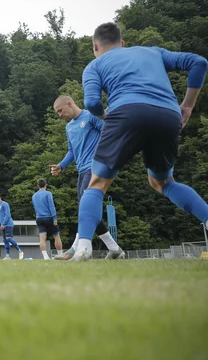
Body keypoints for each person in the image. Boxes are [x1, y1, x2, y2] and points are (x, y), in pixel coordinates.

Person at [71, 22, 208, 261]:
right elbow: (199, 62)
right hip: (168, 115)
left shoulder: (95, 65)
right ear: (122, 43)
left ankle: (83, 247)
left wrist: (109, 117)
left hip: (125, 112)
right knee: (162, 182)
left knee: (97, 185)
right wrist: (187, 106)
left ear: (95, 46)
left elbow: (92, 104)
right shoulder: (153, 51)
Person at [49, 95, 124, 260]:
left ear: (70, 103)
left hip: (95, 168)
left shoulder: (90, 116)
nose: (60, 115)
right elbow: (71, 151)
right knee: (89, 211)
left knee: (85, 208)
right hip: (82, 171)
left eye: (60, 110)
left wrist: (107, 156)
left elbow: (108, 131)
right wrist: (61, 165)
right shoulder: (69, 127)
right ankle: (115, 249)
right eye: (57, 113)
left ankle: (77, 249)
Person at [32, 178, 63, 259]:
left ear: (37, 185)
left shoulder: (34, 196)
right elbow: (51, 206)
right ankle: (60, 254)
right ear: (46, 185)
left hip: (39, 218)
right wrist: (54, 218)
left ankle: (45, 256)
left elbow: (35, 208)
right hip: (49, 217)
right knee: (56, 236)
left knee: (42, 238)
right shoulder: (48, 194)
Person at [0, 193, 24, 260]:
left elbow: (8, 215)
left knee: (8, 238)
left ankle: (20, 251)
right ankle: (7, 256)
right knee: (5, 240)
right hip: (2, 225)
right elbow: (1, 218)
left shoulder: (5, 204)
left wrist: (3, 224)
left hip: (8, 224)